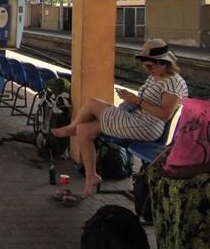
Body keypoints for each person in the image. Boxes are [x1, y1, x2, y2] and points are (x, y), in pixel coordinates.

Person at [51, 39, 188, 198]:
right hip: (135, 119)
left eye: (150, 66)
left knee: (91, 104)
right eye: (145, 66)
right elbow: (147, 101)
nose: (147, 69)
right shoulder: (156, 76)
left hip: (146, 127)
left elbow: (165, 115)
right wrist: (131, 99)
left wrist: (136, 101)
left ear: (163, 63)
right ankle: (91, 177)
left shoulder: (172, 84)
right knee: (84, 130)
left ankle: (71, 128)